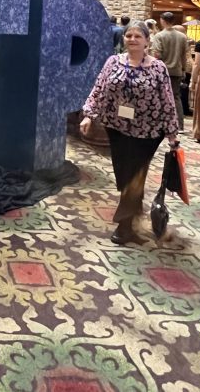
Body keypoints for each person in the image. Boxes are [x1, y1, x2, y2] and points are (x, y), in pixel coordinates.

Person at [80, 21, 178, 245]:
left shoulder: (158, 67)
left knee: (135, 176)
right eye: (129, 35)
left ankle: (124, 227)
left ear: (146, 40)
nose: (132, 39)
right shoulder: (113, 62)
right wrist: (89, 115)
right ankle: (133, 214)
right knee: (125, 175)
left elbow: (167, 100)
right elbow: (99, 89)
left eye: (137, 36)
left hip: (148, 132)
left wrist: (172, 132)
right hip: (118, 128)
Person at [151, 12, 188, 132]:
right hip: (177, 70)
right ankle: (180, 126)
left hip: (162, 71)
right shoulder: (182, 36)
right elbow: (184, 56)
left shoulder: (159, 36)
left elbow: (157, 54)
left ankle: (161, 124)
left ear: (162, 20)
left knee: (159, 97)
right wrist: (183, 69)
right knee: (176, 98)